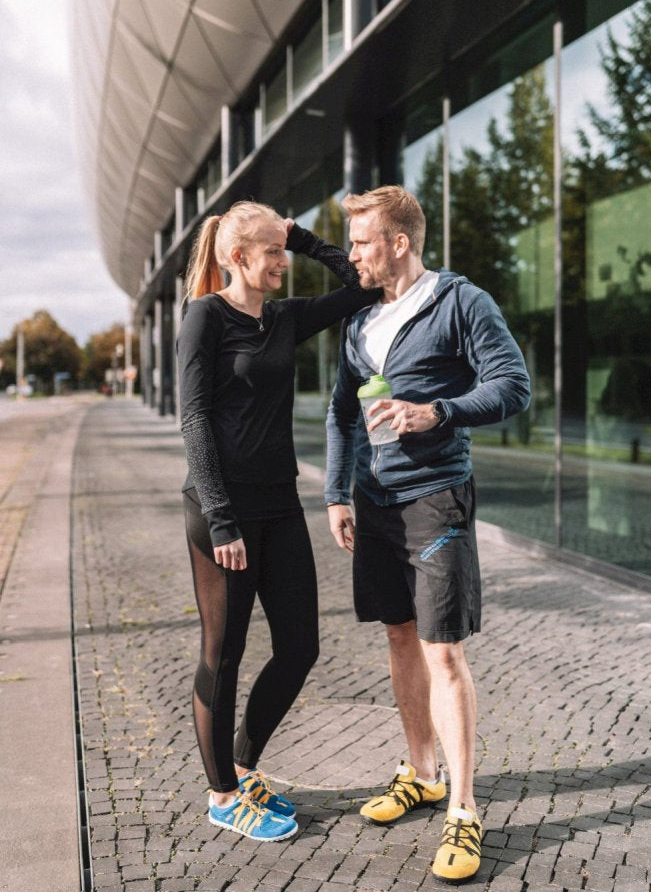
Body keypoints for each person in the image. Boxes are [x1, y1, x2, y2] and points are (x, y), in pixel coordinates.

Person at [325, 185, 530, 882]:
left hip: (435, 500)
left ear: (399, 242)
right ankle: (423, 773)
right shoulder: (359, 320)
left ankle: (464, 810)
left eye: (360, 241)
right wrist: (335, 494)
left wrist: (434, 411)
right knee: (398, 636)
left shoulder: (459, 303)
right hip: (373, 503)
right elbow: (340, 414)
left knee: (443, 653)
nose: (351, 254)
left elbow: (512, 386)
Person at [177, 200, 378, 843]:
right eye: (270, 253)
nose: (281, 265)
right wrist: (221, 518)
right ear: (236, 257)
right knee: (225, 652)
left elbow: (361, 283)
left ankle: (242, 765)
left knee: (300, 646)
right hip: (223, 512)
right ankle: (221, 795)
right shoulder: (204, 317)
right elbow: (194, 419)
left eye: (281, 252)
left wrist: (302, 236)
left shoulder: (284, 320)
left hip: (281, 503)